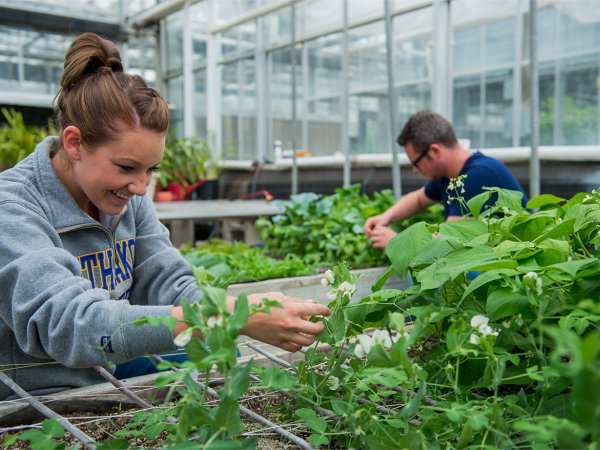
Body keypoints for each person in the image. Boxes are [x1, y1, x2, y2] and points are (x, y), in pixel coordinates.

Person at [0, 33, 330, 401]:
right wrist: (226, 314)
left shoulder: (125, 195)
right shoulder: (12, 207)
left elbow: (168, 280)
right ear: (75, 143)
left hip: (107, 363)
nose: (141, 187)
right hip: (38, 390)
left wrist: (224, 316)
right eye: (127, 166)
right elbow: (70, 326)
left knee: (216, 351)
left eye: (151, 169)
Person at [365, 110, 528, 248]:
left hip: (517, 265)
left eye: (415, 162)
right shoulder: (449, 176)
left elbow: (448, 244)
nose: (415, 170)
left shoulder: (478, 175)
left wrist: (397, 242)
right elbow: (418, 199)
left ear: (435, 151)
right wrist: (386, 217)